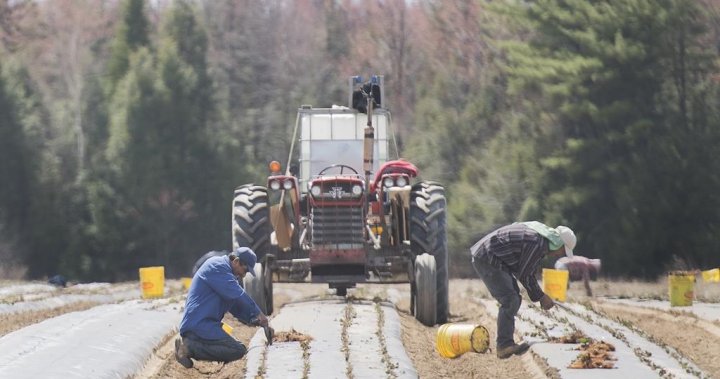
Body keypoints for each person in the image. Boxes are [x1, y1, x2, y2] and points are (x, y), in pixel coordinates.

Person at [470, 221, 576, 359]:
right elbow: (525, 274)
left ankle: (506, 343)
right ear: (558, 243)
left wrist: (539, 295)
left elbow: (526, 270)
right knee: (510, 299)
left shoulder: (538, 236)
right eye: (562, 250)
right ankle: (504, 345)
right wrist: (541, 297)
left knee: (514, 296)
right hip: (487, 258)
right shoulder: (536, 243)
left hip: (493, 257)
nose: (559, 254)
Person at [175, 247, 273, 368]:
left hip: (206, 324)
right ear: (236, 261)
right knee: (237, 350)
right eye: (245, 270)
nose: (244, 274)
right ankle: (188, 349)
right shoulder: (217, 266)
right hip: (198, 325)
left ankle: (191, 346)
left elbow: (235, 306)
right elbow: (239, 295)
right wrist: (259, 313)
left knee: (238, 349)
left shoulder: (226, 274)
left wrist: (254, 320)